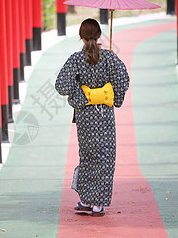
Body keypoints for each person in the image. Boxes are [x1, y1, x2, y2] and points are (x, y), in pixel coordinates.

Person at [55, 18, 129, 217]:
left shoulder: (76, 59)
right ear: (98, 36)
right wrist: (112, 95)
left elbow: (61, 85)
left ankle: (86, 200)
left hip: (86, 115)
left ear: (80, 37)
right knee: (105, 156)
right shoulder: (109, 58)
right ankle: (99, 204)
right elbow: (123, 80)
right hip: (104, 114)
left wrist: (81, 96)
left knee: (87, 156)